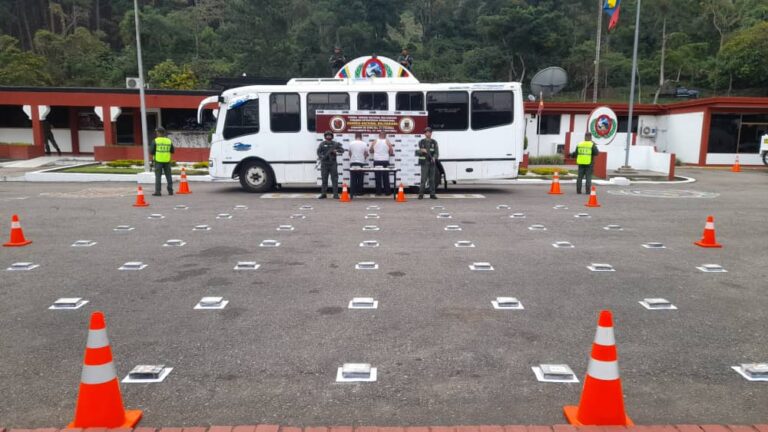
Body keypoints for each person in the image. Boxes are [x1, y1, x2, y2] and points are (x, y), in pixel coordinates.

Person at [317, 131, 344, 199]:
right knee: (324, 179)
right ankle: (323, 194)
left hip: (333, 164)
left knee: (334, 179)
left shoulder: (335, 144)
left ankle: (335, 194)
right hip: (324, 164)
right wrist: (322, 156)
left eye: (330, 135)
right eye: (327, 135)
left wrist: (336, 151)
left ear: (332, 136)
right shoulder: (322, 144)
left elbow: (342, 150)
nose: (328, 136)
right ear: (325, 136)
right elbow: (318, 152)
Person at [150, 126, 175, 196]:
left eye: (156, 132)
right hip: (167, 160)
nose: (156, 133)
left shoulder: (155, 140)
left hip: (158, 161)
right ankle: (170, 191)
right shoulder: (168, 141)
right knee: (169, 176)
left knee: (158, 176)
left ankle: (158, 192)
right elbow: (172, 151)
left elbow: (151, 152)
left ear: (158, 133)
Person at [417, 127, 439, 199]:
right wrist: (421, 151)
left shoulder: (434, 142)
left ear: (431, 133)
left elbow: (436, 153)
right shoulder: (421, 142)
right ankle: (421, 194)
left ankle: (432, 194)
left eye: (429, 132)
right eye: (426, 132)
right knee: (423, 179)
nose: (428, 134)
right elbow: (417, 152)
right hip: (424, 163)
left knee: (432, 179)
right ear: (424, 134)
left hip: (432, 163)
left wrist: (434, 157)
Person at [369, 130, 394, 196]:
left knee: (378, 177)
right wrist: (387, 153)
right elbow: (391, 151)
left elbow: (370, 150)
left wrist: (375, 151)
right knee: (386, 177)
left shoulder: (375, 141)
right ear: (385, 135)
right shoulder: (387, 141)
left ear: (379, 135)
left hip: (377, 160)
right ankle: (387, 192)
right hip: (385, 160)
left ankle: (378, 192)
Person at [348, 132, 369, 197]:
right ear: (361, 137)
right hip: (361, 162)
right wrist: (363, 158)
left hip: (353, 162)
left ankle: (353, 192)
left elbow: (350, 153)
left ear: (355, 136)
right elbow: (366, 154)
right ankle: (360, 192)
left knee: (353, 178)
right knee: (360, 178)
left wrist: (352, 158)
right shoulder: (364, 144)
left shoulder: (351, 143)